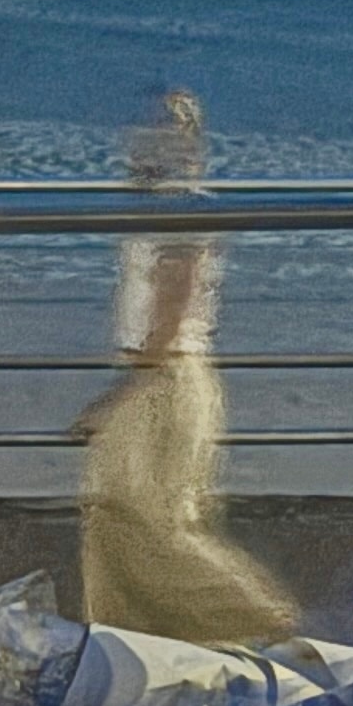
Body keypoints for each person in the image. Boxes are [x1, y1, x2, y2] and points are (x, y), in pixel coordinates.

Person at [72, 89, 289, 645]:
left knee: (152, 528)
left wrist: (123, 391)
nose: (139, 142)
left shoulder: (181, 204)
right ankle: (120, 641)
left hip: (164, 378)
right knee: (114, 522)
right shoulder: (161, 203)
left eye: (158, 132)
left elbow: (172, 304)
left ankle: (262, 622)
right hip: (160, 373)